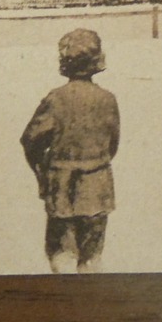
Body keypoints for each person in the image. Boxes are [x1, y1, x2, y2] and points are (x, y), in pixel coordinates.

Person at [20, 28, 120, 273]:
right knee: (92, 258)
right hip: (97, 187)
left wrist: (42, 170)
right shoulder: (108, 99)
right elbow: (112, 144)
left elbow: (30, 140)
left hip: (61, 188)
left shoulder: (55, 99)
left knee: (61, 254)